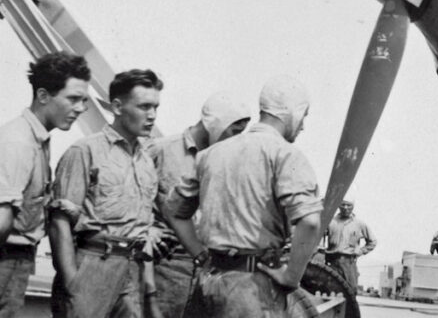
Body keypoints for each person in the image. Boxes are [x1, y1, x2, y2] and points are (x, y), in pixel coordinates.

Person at [165, 75, 322, 318]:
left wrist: (200, 254)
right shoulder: (286, 155)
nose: (303, 126)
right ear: (294, 112)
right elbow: (310, 222)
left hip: (207, 284)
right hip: (253, 290)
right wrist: (291, 276)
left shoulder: (210, 154)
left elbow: (174, 210)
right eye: (305, 116)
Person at [49, 69, 163, 318]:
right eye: (144, 106)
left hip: (132, 268)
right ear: (118, 106)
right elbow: (59, 223)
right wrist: (73, 282)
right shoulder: (85, 151)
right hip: (93, 262)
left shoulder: (146, 160)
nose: (152, 115)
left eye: (155, 107)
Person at [0, 52, 90, 318]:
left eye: (84, 100)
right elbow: (2, 218)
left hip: (16, 259)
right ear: (43, 96)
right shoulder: (19, 142)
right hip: (6, 258)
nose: (81, 108)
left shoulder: (37, 139)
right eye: (73, 99)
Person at [146, 91, 250, 318]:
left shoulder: (224, 160)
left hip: (205, 269)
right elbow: (131, 196)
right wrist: (146, 228)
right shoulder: (161, 150)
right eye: (235, 130)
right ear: (216, 123)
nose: (236, 139)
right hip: (164, 266)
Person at [325, 201, 376, 318]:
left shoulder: (359, 224)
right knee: (329, 291)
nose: (346, 208)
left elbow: (373, 241)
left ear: (353, 206)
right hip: (332, 262)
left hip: (349, 263)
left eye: (349, 205)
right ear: (338, 205)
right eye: (343, 204)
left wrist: (361, 251)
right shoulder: (330, 221)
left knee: (350, 292)